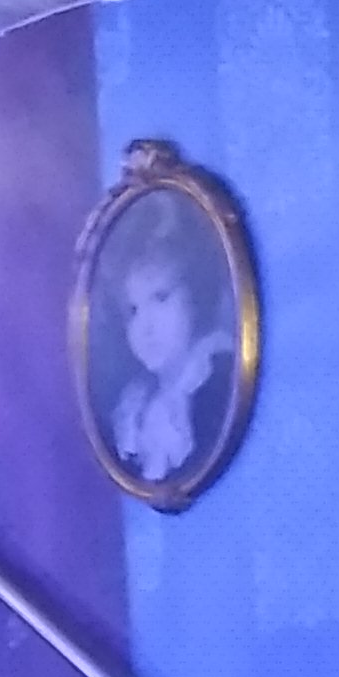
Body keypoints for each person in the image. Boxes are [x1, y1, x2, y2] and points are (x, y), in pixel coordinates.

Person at [100, 200, 235, 484]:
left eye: (160, 298)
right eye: (133, 311)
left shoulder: (214, 380)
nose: (145, 327)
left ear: (195, 296)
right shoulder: (135, 406)